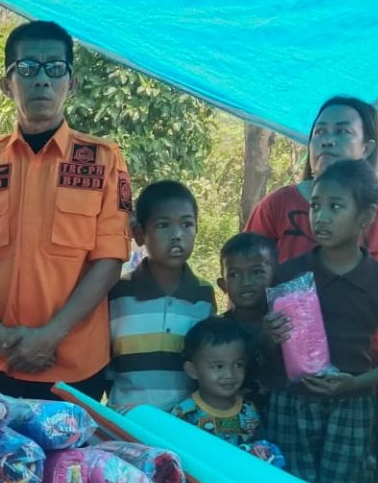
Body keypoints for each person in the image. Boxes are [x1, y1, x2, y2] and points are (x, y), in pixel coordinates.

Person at [246, 96, 378, 483]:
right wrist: (261, 338)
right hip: (291, 392)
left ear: (367, 146)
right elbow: (248, 287)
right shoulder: (278, 211)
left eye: (342, 131)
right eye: (319, 132)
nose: (327, 140)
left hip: (368, 389)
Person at [0, 21, 132, 401]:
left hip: (74, 366)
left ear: (73, 83)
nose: (41, 80)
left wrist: (51, 335)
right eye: (27, 68)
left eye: (55, 68)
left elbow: (109, 261)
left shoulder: (103, 160)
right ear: (6, 84)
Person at [106, 180, 215, 411]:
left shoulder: (203, 295)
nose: (177, 235)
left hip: (184, 423)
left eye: (187, 224)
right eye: (163, 225)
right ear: (139, 234)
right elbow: (104, 362)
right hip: (126, 420)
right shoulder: (117, 292)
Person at [172, 317, 261, 445]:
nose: (230, 374)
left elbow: (258, 449)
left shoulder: (249, 411)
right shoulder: (183, 415)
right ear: (193, 370)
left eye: (238, 365)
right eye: (218, 366)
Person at [217, 231, 278, 415]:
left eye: (257, 272)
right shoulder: (218, 332)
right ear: (222, 285)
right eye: (234, 274)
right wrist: (260, 340)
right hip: (234, 424)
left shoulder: (285, 324)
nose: (246, 282)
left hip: (284, 420)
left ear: (276, 277)